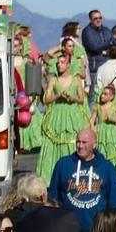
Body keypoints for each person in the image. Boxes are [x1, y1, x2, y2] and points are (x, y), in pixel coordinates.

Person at [35, 38, 91, 183]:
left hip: (72, 114)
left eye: (62, 63)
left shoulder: (76, 78)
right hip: (57, 114)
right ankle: (51, 176)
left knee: (72, 140)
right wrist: (57, 95)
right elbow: (46, 99)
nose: (59, 65)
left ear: (68, 65)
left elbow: (81, 98)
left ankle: (73, 174)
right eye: (58, 63)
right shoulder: (53, 80)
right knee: (53, 143)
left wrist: (72, 97)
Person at [50, 126, 116, 232]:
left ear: (94, 145)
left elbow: (115, 204)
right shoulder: (63, 164)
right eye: (78, 142)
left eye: (84, 142)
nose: (80, 146)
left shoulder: (107, 168)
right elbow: (53, 198)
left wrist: (111, 231)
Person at [79, 8, 114, 89]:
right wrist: (109, 43)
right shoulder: (87, 32)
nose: (98, 20)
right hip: (94, 69)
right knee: (93, 97)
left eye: (100, 18)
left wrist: (108, 49)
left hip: (107, 68)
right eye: (95, 18)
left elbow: (115, 44)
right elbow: (95, 47)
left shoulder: (107, 30)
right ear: (90, 20)